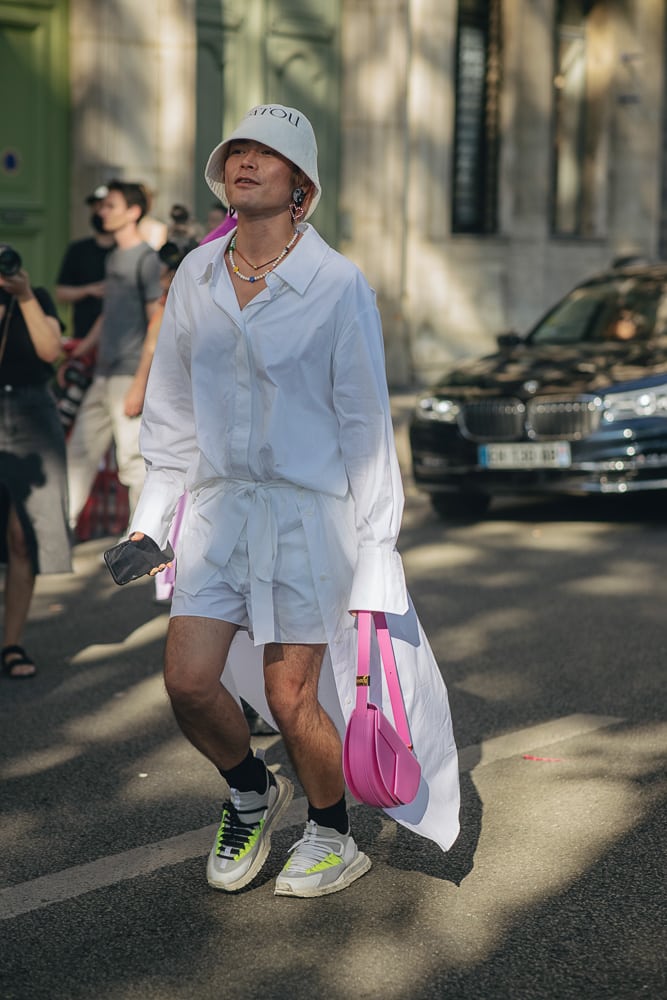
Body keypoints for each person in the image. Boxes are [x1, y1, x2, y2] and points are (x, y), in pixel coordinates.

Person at [127, 104, 460, 898]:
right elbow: (172, 411)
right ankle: (248, 789)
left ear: (300, 186)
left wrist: (379, 553)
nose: (244, 161)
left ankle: (332, 832)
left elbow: (365, 427)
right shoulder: (198, 278)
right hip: (217, 515)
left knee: (289, 696)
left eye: (264, 154)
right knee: (188, 681)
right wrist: (149, 520)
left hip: (310, 520)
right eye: (235, 150)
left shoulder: (338, 285)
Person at [65, 180, 162, 533]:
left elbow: (158, 318)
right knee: (79, 455)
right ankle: (57, 534)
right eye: (102, 206)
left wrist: (141, 382)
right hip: (102, 374)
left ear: (133, 212)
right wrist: (79, 354)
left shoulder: (147, 260)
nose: (102, 212)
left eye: (111, 206)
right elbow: (109, 313)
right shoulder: (115, 257)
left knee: (133, 463)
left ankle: (141, 540)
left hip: (127, 376)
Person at [0, 252, 71, 678]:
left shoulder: (36, 297)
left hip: (32, 414)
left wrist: (24, 295)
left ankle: (12, 643)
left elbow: (50, 352)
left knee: (23, 536)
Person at [55, 185, 115, 341]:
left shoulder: (127, 251)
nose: (101, 213)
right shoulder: (78, 250)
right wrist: (88, 290)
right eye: (96, 208)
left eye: (106, 207)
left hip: (120, 341)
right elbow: (61, 293)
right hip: (83, 336)